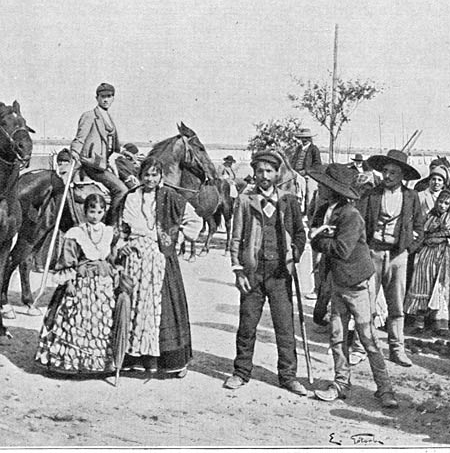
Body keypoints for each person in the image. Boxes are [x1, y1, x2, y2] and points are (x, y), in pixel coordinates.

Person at [307, 164, 398, 408]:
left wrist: (319, 236)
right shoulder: (324, 210)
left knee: (368, 338)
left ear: (333, 189)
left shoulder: (351, 215)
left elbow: (341, 249)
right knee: (337, 336)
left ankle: (385, 388)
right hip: (337, 281)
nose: (318, 188)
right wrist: (319, 236)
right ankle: (341, 383)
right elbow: (316, 241)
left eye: (322, 185)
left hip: (358, 283)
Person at [223, 150, 308, 395]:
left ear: (276, 173)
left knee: (284, 327)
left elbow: (301, 234)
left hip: (280, 274)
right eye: (260, 171)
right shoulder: (244, 200)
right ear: (254, 172)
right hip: (253, 273)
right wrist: (238, 270)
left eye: (269, 171)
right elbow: (236, 238)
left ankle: (289, 376)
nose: (264, 176)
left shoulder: (288, 200)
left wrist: (295, 252)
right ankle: (240, 372)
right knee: (247, 325)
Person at [118, 156, 202, 376]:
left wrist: (177, 239)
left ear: (161, 176)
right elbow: (122, 228)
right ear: (140, 175)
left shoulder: (171, 197)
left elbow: (194, 220)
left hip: (160, 258)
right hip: (135, 260)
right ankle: (133, 359)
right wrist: (122, 245)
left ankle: (169, 362)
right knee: (134, 306)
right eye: (146, 174)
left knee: (163, 309)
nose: (150, 179)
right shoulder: (131, 197)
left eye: (155, 174)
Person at [35, 193, 117, 374]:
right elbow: (68, 259)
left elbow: (111, 256)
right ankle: (72, 361)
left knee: (99, 320)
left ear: (104, 212)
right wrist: (69, 282)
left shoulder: (108, 232)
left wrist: (114, 270)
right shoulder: (76, 233)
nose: (95, 216)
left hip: (102, 283)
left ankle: (97, 363)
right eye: (91, 211)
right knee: (77, 318)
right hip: (82, 281)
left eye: (99, 212)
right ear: (85, 211)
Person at [359, 149, 424, 367]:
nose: (387, 176)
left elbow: (419, 227)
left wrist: (408, 249)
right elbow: (359, 224)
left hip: (398, 257)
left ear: (402, 175)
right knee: (366, 302)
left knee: (396, 305)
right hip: (373, 253)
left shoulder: (411, 196)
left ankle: (397, 349)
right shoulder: (371, 195)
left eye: (393, 172)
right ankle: (361, 347)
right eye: (385, 171)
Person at [404, 190, 450, 335]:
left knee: (441, 288)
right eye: (440, 202)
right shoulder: (429, 217)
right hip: (427, 256)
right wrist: (426, 241)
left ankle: (439, 324)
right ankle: (420, 321)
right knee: (424, 284)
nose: (442, 205)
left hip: (446, 257)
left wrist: (444, 239)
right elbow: (422, 234)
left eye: (446, 203)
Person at [70, 82, 128, 225]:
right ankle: (111, 225)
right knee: (121, 190)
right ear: (97, 98)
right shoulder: (89, 116)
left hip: (106, 163)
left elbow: (112, 144)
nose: (106, 100)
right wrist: (75, 152)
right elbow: (80, 138)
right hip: (92, 163)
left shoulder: (109, 118)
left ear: (113, 98)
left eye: (109, 96)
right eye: (103, 97)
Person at [289, 128, 322, 214]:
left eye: (306, 138)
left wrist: (306, 171)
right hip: (296, 174)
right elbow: (293, 161)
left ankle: (308, 214)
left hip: (309, 175)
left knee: (309, 194)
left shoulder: (314, 149)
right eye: (302, 138)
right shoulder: (299, 148)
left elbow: (317, 164)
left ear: (309, 138)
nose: (304, 140)